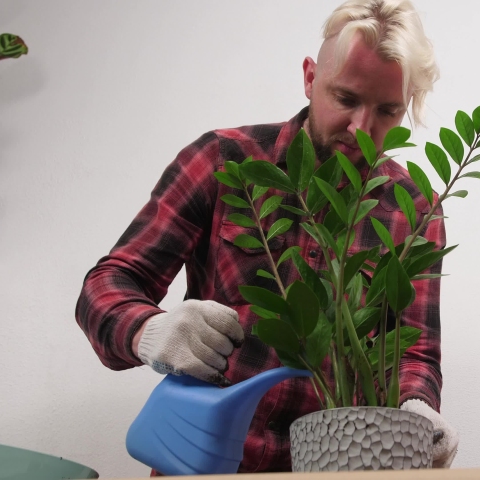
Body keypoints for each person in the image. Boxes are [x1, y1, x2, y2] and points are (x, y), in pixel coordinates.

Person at [75, 0, 459, 473]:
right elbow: (109, 284)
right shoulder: (224, 163)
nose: (363, 128)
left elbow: (413, 347)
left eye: (387, 110)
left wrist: (416, 410)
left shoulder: (416, 208)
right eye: (345, 99)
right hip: (211, 462)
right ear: (310, 77)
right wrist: (149, 331)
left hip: (340, 466)